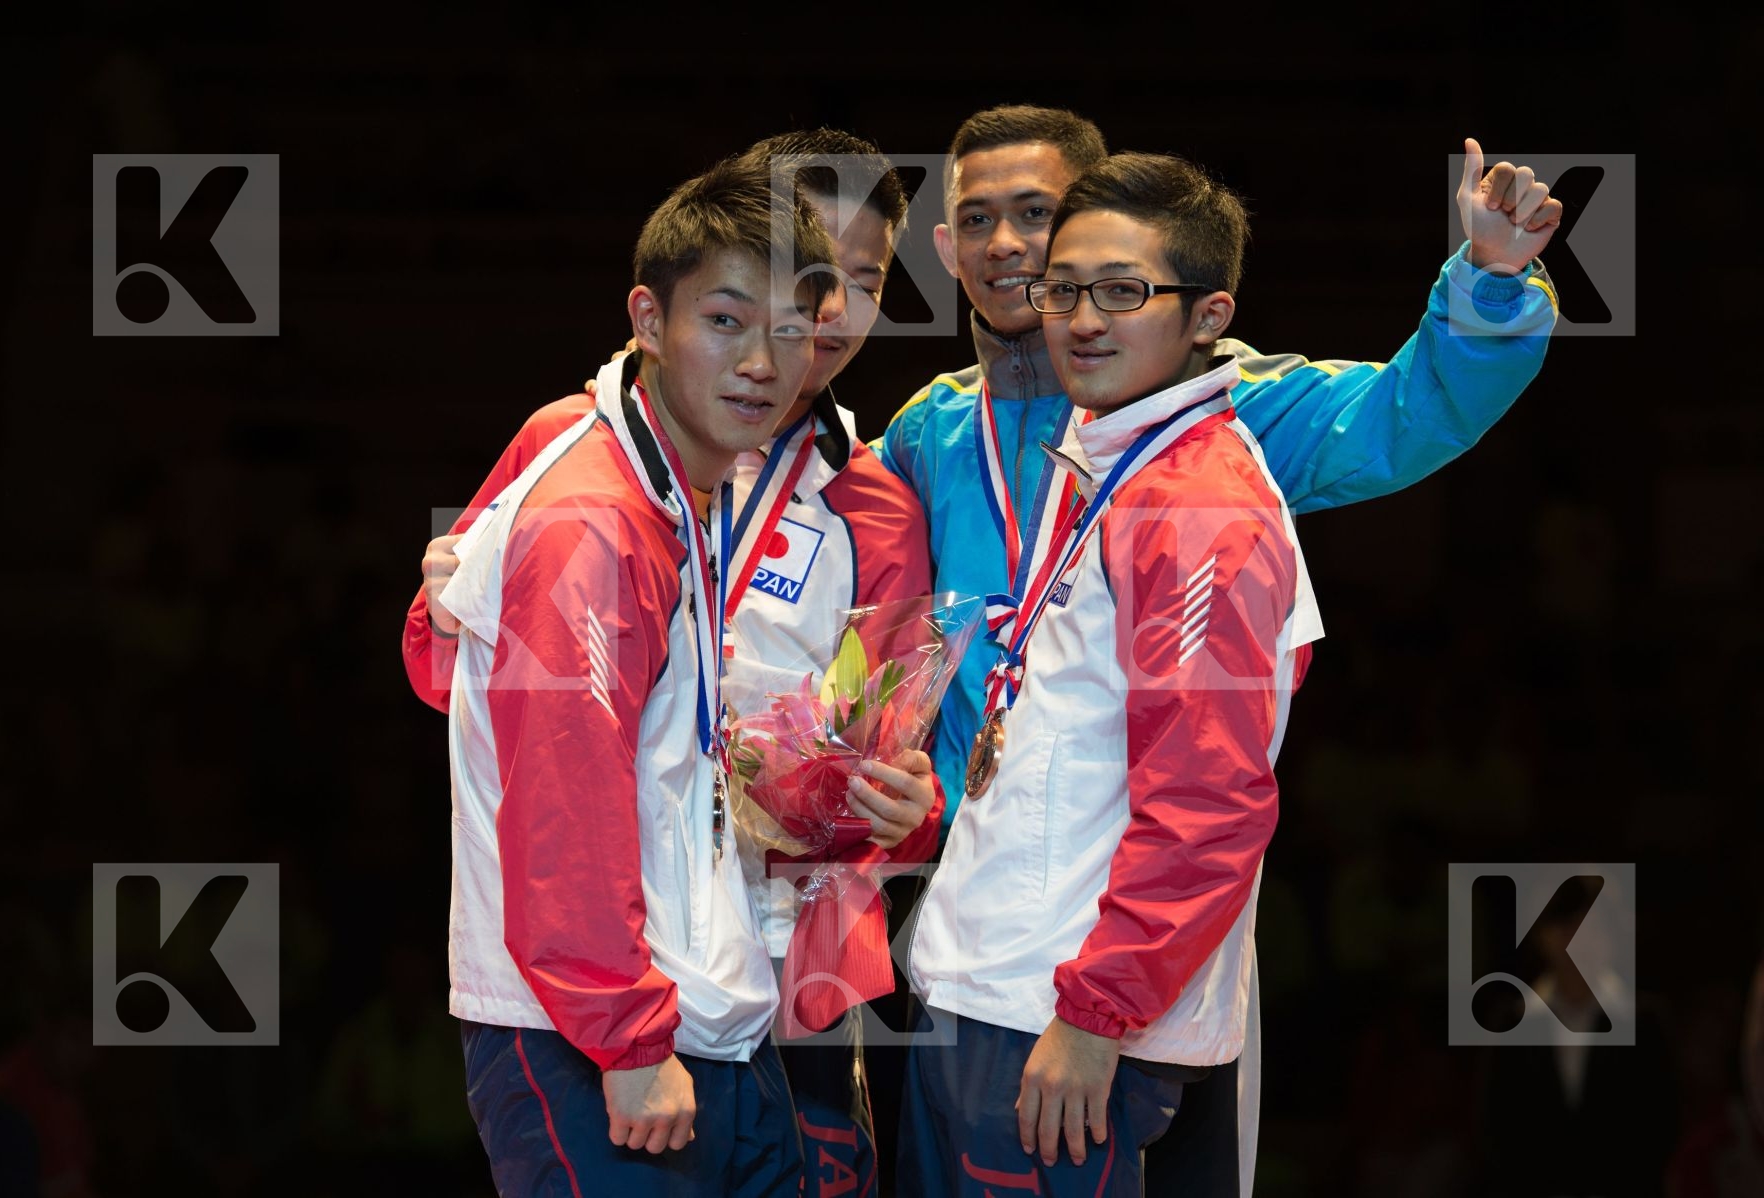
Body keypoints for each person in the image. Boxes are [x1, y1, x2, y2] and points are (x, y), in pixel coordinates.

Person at [871, 103, 1563, 1195]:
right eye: (977, 220)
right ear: (945, 249)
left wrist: (1487, 279)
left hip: (1137, 941)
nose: (1008, 245)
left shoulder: (1220, 414)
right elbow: (846, 612)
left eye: (1038, 216)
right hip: (963, 912)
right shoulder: (924, 430)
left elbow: (1403, 411)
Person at [406, 130, 936, 1198]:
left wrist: (891, 803)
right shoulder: (588, 459)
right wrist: (458, 613)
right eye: (778, 277)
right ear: (667, 307)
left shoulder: (873, 507)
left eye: (852, 282)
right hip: (608, 988)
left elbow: (891, 775)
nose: (816, 318)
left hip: (779, 976)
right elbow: (471, 695)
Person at [902, 150, 1321, 1197]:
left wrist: (1098, 1015)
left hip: (1056, 1020)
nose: (1082, 318)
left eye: (1125, 292)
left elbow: (1211, 802)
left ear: (1207, 314)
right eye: (1065, 287)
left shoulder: (1201, 509)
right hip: (996, 986)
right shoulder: (1109, 463)